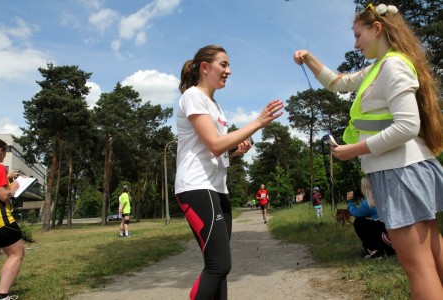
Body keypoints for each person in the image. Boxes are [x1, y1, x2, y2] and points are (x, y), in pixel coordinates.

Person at [294, 3, 443, 298]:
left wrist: (354, 150)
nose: (355, 43)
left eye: (358, 34)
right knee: (434, 257)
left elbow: (407, 126)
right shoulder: (380, 67)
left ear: (377, 29)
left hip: (400, 172)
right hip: (407, 170)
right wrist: (310, 58)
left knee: (419, 267)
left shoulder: (393, 65)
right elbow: (337, 82)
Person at [175, 44, 283, 300]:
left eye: (228, 66)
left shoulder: (215, 106)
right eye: (223, 65)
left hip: (217, 188)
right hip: (196, 187)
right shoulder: (193, 96)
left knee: (219, 268)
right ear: (204, 67)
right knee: (219, 265)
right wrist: (257, 123)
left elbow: (216, 150)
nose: (229, 71)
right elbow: (213, 144)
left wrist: (234, 152)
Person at [0, 139, 25, 300]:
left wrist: (6, 177)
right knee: (16, 253)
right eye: (5, 151)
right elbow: (3, 195)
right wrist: (14, 187)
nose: (5, 155)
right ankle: (1, 295)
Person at [347, 177, 394, 259]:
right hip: (395, 234)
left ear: (364, 188)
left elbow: (356, 214)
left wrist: (350, 201)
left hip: (386, 237)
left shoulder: (368, 203)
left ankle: (374, 251)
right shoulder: (385, 196)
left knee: (359, 222)